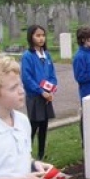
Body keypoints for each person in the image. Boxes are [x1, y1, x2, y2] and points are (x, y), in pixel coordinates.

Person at [20, 25, 57, 160]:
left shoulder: (46, 55)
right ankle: (26, 154)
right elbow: (27, 77)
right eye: (38, 36)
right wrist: (40, 91)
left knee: (44, 126)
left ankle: (41, 154)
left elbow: (52, 74)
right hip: (35, 96)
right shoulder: (28, 56)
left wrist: (51, 89)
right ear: (31, 37)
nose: (41, 38)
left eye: (43, 35)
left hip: (46, 96)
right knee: (33, 126)